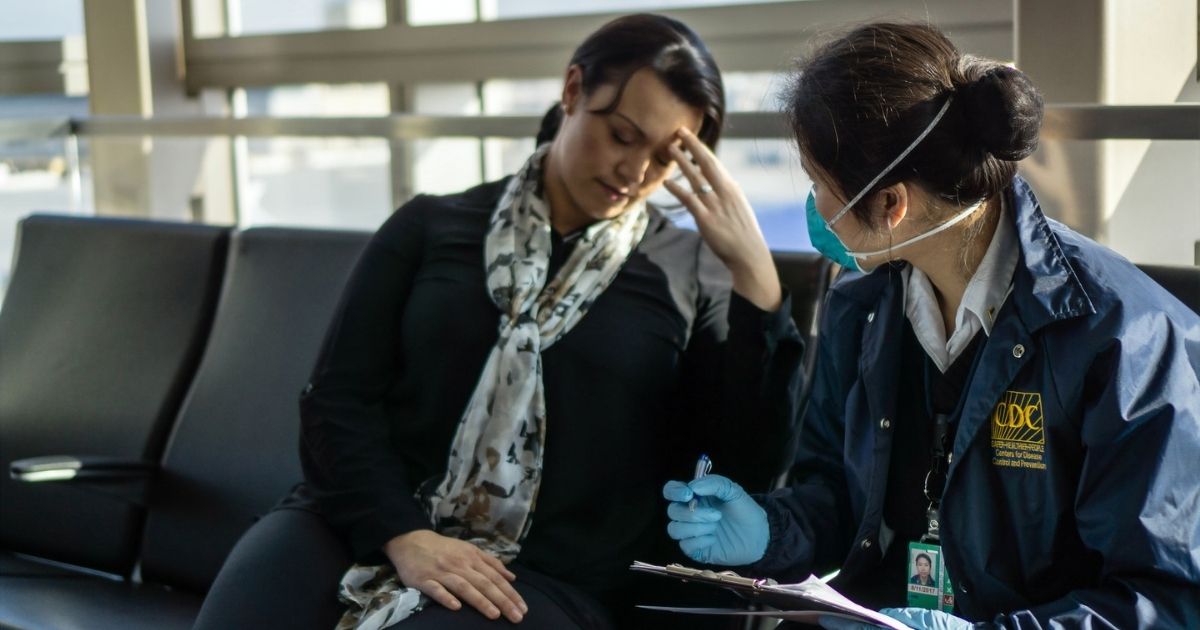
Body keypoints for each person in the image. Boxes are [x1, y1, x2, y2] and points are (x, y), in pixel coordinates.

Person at [194, 13, 804, 630]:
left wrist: (758, 281)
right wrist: (403, 535)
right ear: (572, 92)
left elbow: (741, 464)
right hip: (364, 519)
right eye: (622, 135)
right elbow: (336, 400)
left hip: (546, 572)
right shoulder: (431, 226)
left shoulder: (691, 274)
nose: (636, 173)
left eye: (664, 158)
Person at [663, 22, 1200, 629]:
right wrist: (770, 530)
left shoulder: (1121, 338)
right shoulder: (860, 308)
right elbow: (838, 498)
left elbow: (1164, 600)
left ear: (891, 204)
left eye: (819, 185)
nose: (815, 207)